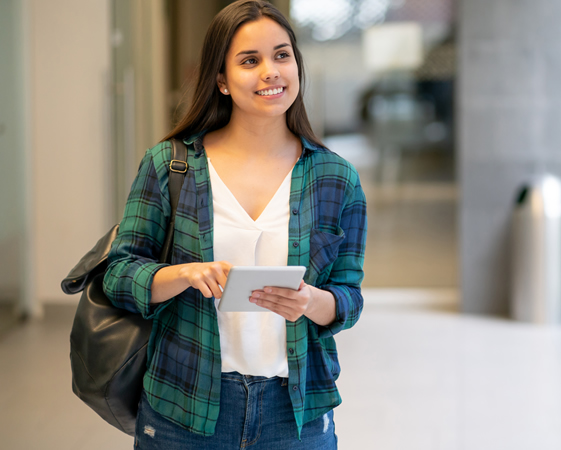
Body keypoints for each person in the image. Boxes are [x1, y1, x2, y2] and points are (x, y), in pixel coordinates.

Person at [103, 1, 367, 448]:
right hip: (185, 406)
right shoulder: (170, 165)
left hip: (295, 412)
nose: (271, 71)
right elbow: (118, 275)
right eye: (250, 60)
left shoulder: (335, 178)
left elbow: (349, 298)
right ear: (221, 80)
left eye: (282, 55)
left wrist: (309, 301)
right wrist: (181, 274)